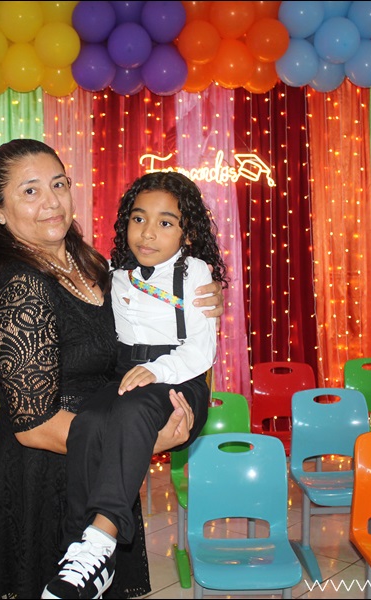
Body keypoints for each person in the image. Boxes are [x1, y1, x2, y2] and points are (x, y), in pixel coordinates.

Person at [0, 138, 225, 600]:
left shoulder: (93, 264)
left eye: (59, 184)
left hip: (103, 462)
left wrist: (200, 297)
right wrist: (141, 443)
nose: (52, 202)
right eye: (30, 191)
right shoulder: (20, 288)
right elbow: (33, 427)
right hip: (46, 476)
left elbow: (154, 316)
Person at [43, 172, 228, 599]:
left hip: (179, 377)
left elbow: (202, 350)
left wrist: (158, 371)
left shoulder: (194, 272)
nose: (148, 233)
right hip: (127, 374)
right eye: (139, 219)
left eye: (165, 223)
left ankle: (102, 537)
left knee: (130, 412)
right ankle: (81, 552)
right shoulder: (114, 271)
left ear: (187, 232)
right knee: (87, 423)